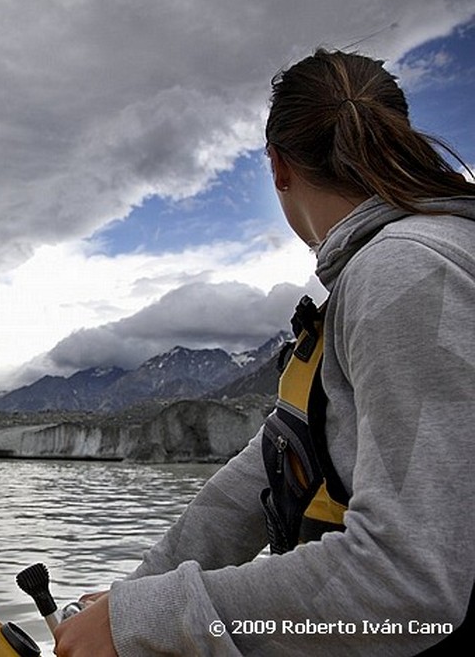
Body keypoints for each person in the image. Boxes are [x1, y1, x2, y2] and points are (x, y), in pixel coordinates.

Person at [53, 48, 475, 656]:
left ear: (277, 166)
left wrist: (150, 621)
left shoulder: (407, 272)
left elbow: (408, 585)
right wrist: (129, 603)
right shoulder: (386, 274)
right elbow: (259, 476)